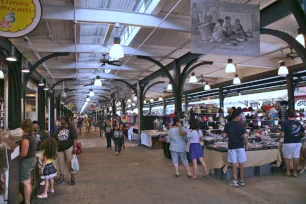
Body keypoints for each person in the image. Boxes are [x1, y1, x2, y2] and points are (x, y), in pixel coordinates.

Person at [1, 120, 38, 204]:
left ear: (23, 127)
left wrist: (17, 159)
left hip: (26, 161)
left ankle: (27, 201)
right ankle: (27, 200)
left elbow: (24, 153)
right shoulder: (32, 135)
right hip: (31, 159)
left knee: (26, 182)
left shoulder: (26, 138)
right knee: (27, 181)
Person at [276, 110, 305, 177]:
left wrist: (277, 139)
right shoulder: (298, 123)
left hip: (288, 142)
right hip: (298, 142)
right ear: (294, 116)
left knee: (286, 158)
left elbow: (282, 134)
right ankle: (295, 172)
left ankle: (288, 172)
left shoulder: (285, 123)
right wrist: (298, 136)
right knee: (296, 157)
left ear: (287, 115)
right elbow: (303, 134)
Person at [224, 110, 248, 187]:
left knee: (234, 164)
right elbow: (245, 136)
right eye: (240, 116)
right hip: (240, 146)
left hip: (232, 146)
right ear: (237, 116)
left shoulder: (228, 125)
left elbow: (224, 136)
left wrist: (230, 134)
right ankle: (242, 180)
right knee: (241, 164)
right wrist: (246, 144)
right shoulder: (241, 125)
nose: (240, 117)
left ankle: (235, 181)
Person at [53, 117, 78, 185]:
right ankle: (61, 178)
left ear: (66, 121)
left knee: (71, 163)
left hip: (69, 148)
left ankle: (72, 178)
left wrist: (75, 148)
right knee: (61, 164)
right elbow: (55, 138)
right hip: (60, 149)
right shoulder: (59, 129)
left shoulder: (71, 128)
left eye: (62, 120)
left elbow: (75, 138)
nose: (60, 121)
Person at [32, 121, 49, 185]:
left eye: (36, 125)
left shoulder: (44, 133)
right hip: (33, 151)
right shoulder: (31, 133)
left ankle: (43, 178)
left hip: (40, 151)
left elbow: (46, 142)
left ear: (38, 126)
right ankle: (37, 178)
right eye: (33, 125)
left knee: (40, 165)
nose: (35, 126)